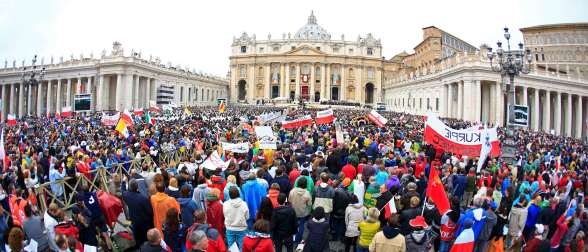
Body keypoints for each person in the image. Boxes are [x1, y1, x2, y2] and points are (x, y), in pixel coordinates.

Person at [123, 179, 154, 247]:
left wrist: (123, 182)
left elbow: (123, 191)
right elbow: (150, 212)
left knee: (138, 238)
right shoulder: (143, 198)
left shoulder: (126, 195)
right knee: (146, 239)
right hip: (144, 222)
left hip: (135, 221)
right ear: (137, 187)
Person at [288, 176, 312, 244]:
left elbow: (289, 200)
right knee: (301, 225)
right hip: (302, 212)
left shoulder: (292, 191)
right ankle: (298, 239)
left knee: (293, 225)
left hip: (293, 211)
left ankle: (293, 238)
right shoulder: (307, 193)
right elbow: (309, 204)